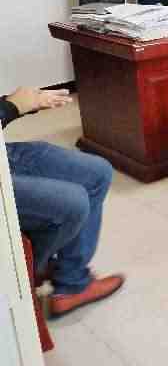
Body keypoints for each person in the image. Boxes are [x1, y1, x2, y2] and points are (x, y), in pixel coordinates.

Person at [1, 87, 125, 318]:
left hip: (4, 153)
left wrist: (25, 102)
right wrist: (10, 108)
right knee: (73, 203)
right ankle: (33, 269)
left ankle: (71, 280)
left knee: (98, 172)